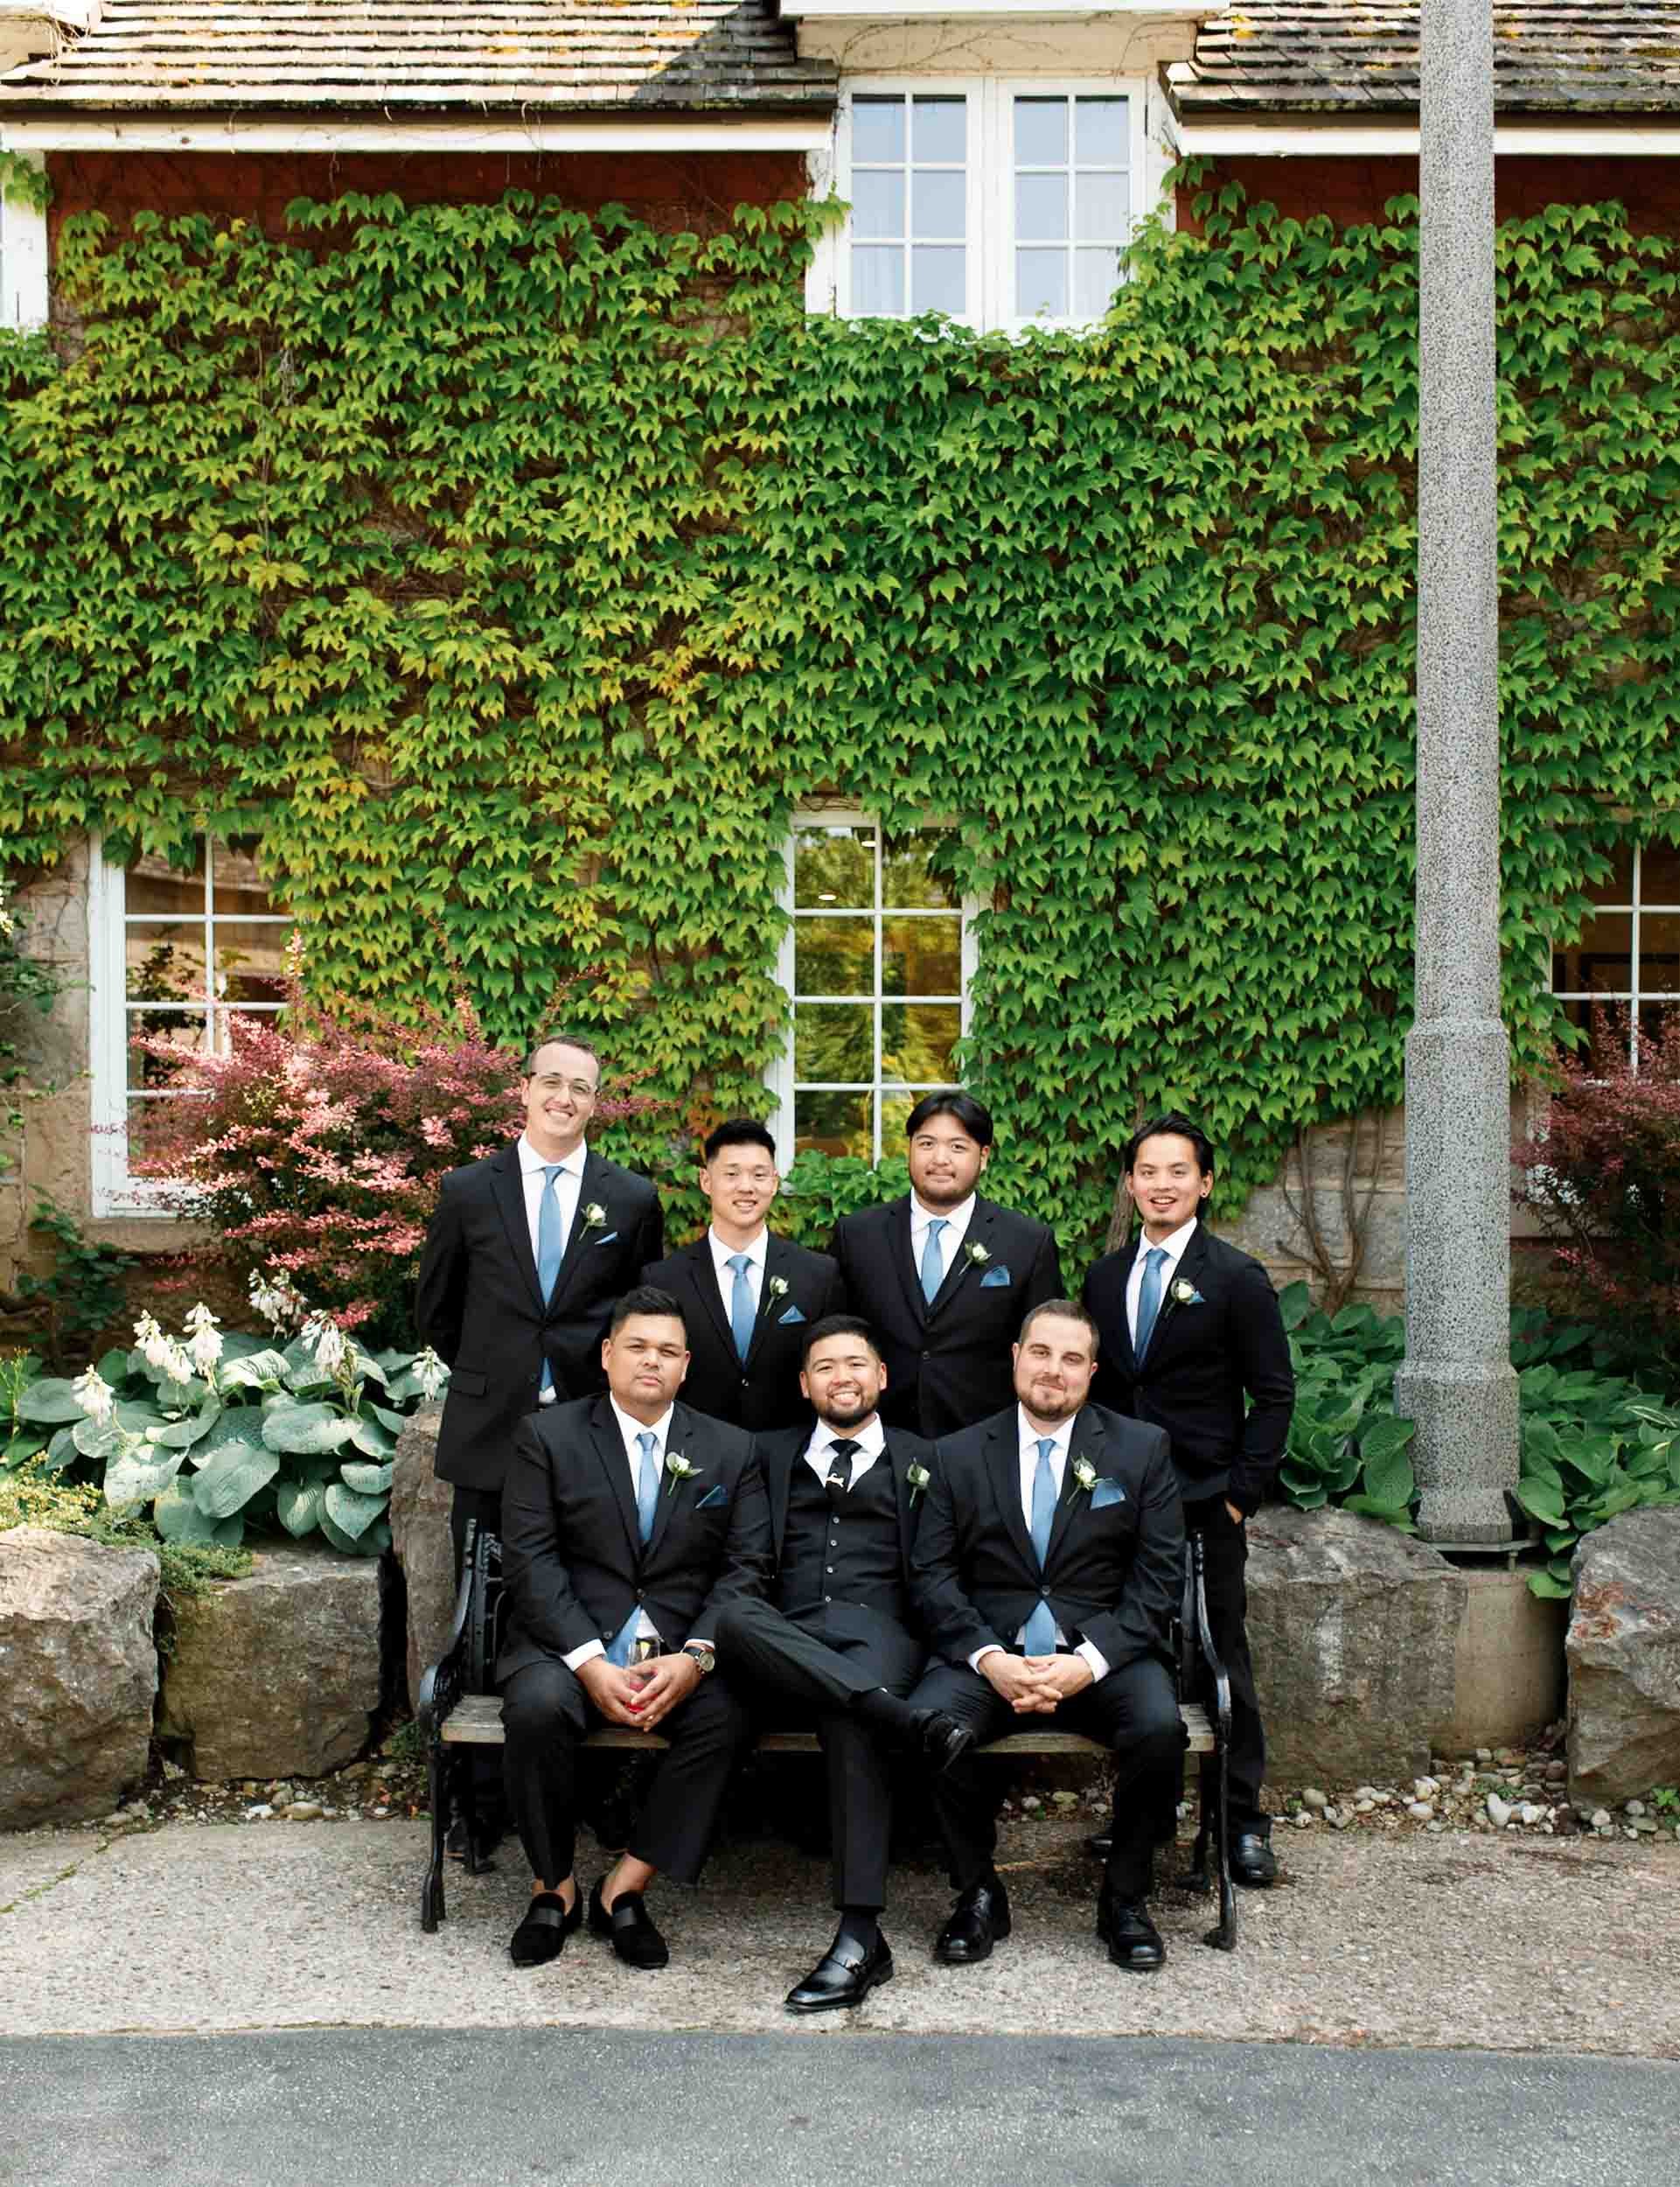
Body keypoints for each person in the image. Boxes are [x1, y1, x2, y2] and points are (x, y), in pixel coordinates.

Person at [495, 1288, 772, 1970]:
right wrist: (589, 1662)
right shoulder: (546, 1437)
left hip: (678, 1648)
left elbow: (747, 1567)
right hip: (567, 1644)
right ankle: (553, 1885)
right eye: (638, 1347)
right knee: (535, 1708)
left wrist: (696, 1657)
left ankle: (626, 1885)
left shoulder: (731, 1449)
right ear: (607, 1355)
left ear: (685, 1366)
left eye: (668, 1351)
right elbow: (531, 1560)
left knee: (731, 1713)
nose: (652, 1361)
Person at [906, 1301, 1186, 1972]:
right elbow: (931, 1575)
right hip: (990, 1654)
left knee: (1158, 1729)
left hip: (1101, 1654)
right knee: (929, 1725)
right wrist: (988, 1657)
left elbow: (1158, 1578)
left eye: (1070, 1359)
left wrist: (1089, 1662)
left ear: (1091, 1372)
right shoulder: (955, 1454)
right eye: (1040, 1353)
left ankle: (1124, 1898)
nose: (1053, 1371)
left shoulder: (1139, 1449)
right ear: (1015, 1357)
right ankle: (978, 1891)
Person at [714, 1316, 969, 2013]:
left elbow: (940, 1572)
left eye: (855, 1363)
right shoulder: (763, 1454)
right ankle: (897, 1716)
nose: (842, 1377)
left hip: (879, 1634)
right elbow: (742, 1564)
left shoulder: (928, 1459)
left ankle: (859, 1936)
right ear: (804, 1385)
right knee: (732, 1618)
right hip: (783, 1634)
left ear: (881, 1376)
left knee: (851, 1714)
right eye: (825, 1367)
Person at [1081, 1111, 1295, 1890]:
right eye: (1147, 1171)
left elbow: (1273, 1395)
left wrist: (1238, 1496)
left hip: (1204, 1502)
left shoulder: (1235, 1277)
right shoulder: (1103, 1278)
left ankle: (1239, 1825)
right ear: (1130, 1184)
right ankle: (1142, 1818)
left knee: (1217, 1660)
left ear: (1204, 1183)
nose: (1161, 1185)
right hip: (1115, 1504)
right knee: (1128, 1658)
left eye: (1177, 1171)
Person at [415, 1033, 665, 1574]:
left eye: (580, 1088)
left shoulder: (631, 1200)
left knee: (591, 1584)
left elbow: (640, 1317)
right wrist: (495, 1365)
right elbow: (437, 1308)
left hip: (592, 1424)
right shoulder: (467, 1192)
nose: (564, 1098)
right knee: (483, 1592)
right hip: (487, 1426)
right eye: (552, 1082)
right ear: (525, 1089)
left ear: (594, 1103)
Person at [827, 1091, 1062, 1437]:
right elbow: (834, 1339)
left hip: (984, 1441)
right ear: (909, 1148)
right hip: (878, 1437)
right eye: (926, 1144)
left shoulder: (1027, 1242)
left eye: (957, 1146)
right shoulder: (857, 1236)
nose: (940, 1159)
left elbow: (1045, 1347)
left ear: (983, 1157)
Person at [641, 1118, 847, 1432]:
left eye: (759, 1175)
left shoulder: (818, 1275)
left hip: (790, 1449)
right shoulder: (663, 1279)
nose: (746, 1187)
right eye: (732, 1174)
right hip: (696, 1448)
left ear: (774, 1183)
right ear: (706, 1181)